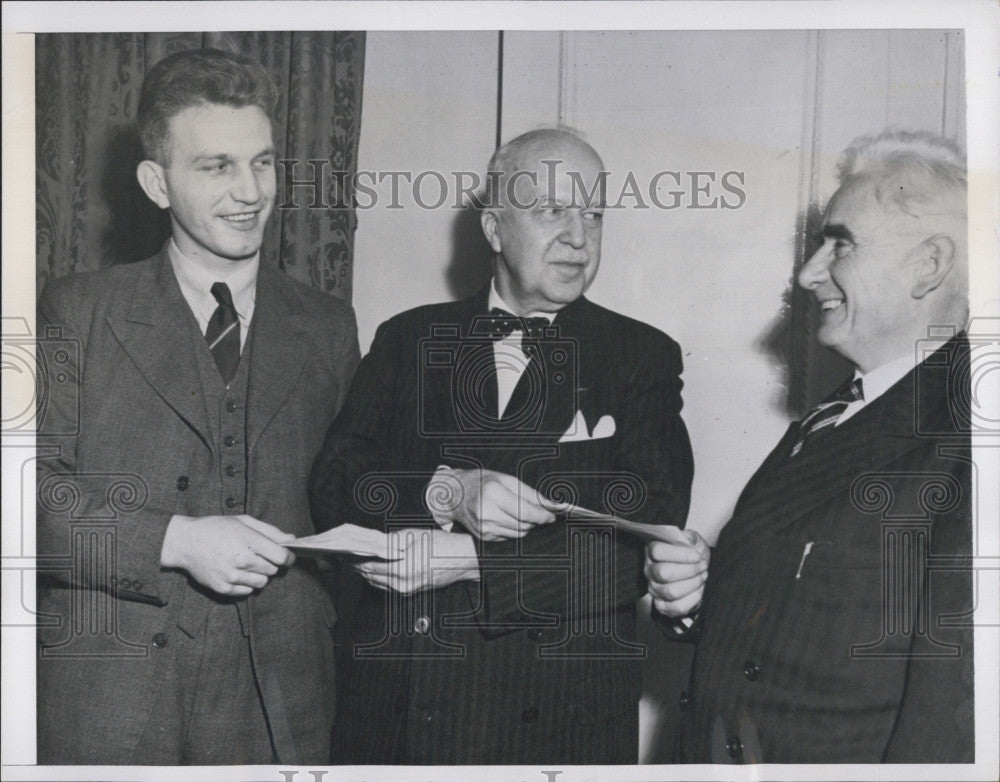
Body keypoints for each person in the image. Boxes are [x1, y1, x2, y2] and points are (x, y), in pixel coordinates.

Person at [308, 128, 695, 764]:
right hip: (400, 715)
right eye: (551, 211)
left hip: (558, 722)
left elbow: (652, 537)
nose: (578, 236)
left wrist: (473, 564)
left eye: (593, 214)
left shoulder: (641, 356)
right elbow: (333, 484)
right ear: (493, 229)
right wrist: (445, 492)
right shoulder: (407, 338)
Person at [35, 48, 359, 765]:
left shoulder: (329, 324)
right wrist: (175, 542)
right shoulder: (79, 311)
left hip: (281, 708)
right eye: (217, 166)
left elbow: (353, 500)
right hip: (111, 708)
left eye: (264, 163)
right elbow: (24, 498)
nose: (250, 192)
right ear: (156, 183)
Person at [647, 129, 974, 763]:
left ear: (928, 265)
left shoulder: (968, 432)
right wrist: (703, 595)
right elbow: (817, 603)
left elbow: (956, 713)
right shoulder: (832, 416)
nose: (807, 273)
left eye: (840, 245)